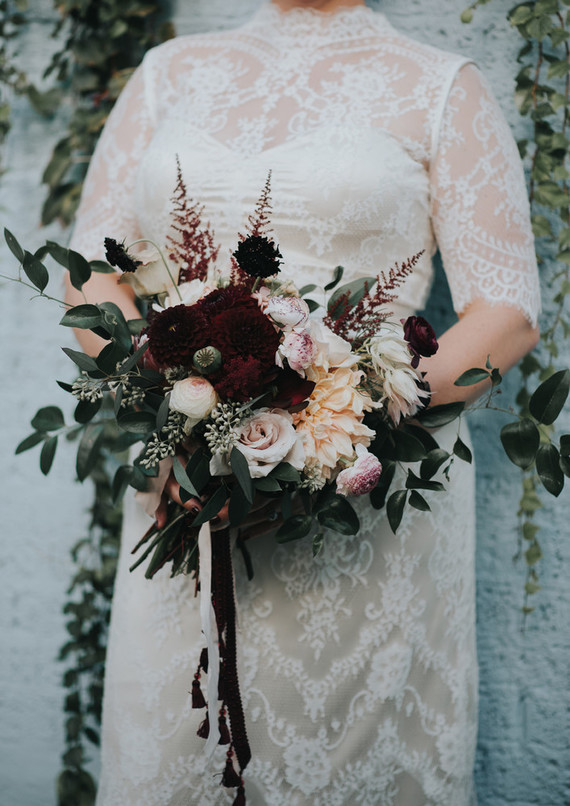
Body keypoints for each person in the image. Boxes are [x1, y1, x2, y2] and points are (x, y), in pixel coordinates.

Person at [65, 1, 540, 803]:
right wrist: (176, 415)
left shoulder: (441, 87)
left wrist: (340, 429)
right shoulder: (169, 75)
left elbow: (507, 311)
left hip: (361, 507)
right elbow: (90, 270)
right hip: (190, 494)